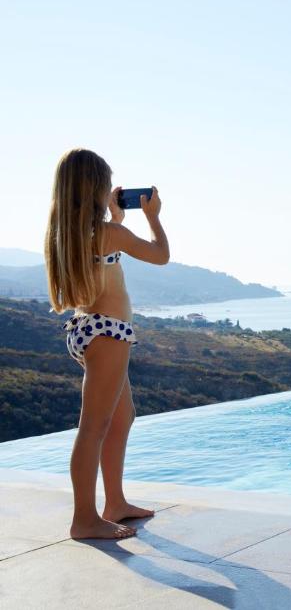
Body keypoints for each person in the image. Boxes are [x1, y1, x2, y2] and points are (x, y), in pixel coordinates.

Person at [44, 149, 170, 538]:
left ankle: (114, 502)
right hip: (109, 333)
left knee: (120, 417)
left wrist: (115, 219)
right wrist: (153, 218)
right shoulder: (109, 234)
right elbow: (161, 255)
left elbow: (101, 262)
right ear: (97, 187)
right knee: (93, 428)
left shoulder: (69, 233)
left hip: (87, 330)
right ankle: (84, 518)